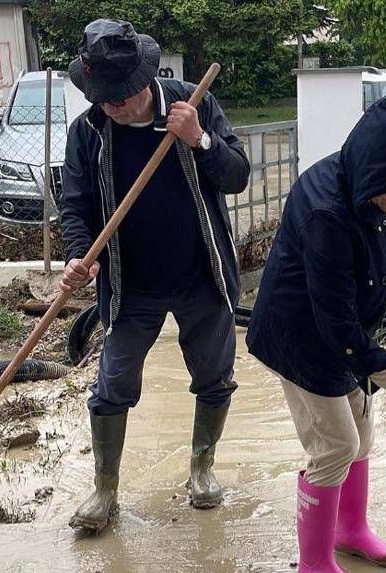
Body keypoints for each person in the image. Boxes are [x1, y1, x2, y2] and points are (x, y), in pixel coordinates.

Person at [246, 94, 386, 573]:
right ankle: (314, 564)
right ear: (370, 166)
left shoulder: (374, 187)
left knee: (360, 430)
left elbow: (383, 227)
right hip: (302, 337)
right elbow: (335, 324)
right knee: (335, 444)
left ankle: (350, 531)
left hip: (342, 333)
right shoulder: (326, 212)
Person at [60, 19, 249, 531]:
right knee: (112, 383)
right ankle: (105, 490)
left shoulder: (192, 104)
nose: (112, 106)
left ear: (145, 80)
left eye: (119, 97)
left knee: (213, 376)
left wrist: (200, 140)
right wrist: (81, 255)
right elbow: (75, 206)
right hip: (129, 283)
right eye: (102, 97)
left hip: (201, 274)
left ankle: (201, 471)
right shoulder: (89, 130)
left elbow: (237, 175)